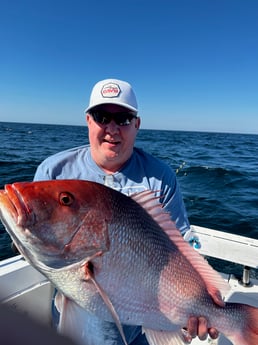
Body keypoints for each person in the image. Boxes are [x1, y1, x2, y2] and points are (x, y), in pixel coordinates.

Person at [34, 78, 219, 344]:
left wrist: (204, 300)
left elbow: (180, 251)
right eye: (102, 116)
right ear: (88, 120)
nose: (112, 128)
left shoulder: (160, 178)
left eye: (123, 118)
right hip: (71, 329)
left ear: (137, 124)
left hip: (140, 331)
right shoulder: (54, 173)